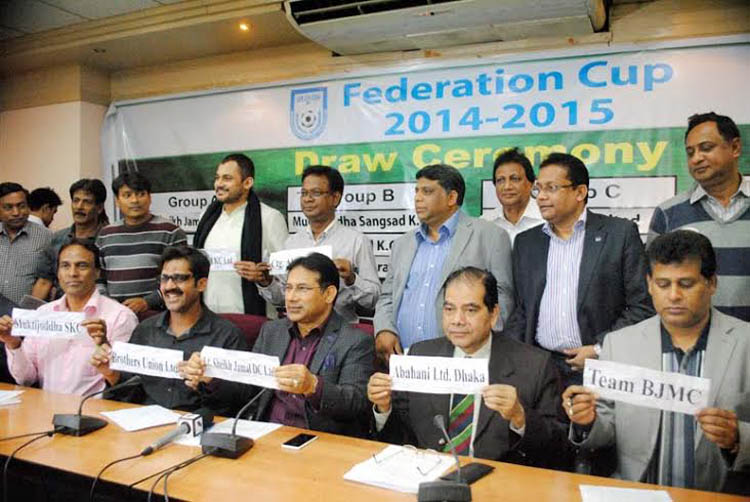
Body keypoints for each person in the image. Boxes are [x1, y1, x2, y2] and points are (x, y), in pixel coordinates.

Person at [563, 230, 750, 494]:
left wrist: (738, 438)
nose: (673, 296)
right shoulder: (619, 344)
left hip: (719, 494)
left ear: (711, 284)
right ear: (649, 284)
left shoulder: (745, 343)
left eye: (686, 284)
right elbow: (605, 426)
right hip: (638, 493)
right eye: (663, 284)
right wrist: (586, 421)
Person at [368, 267, 566, 468]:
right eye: (449, 309)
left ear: (493, 314)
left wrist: (520, 417)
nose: (457, 320)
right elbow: (399, 437)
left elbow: (557, 448)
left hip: (499, 484)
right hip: (427, 477)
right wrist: (383, 408)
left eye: (470, 310)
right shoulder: (421, 354)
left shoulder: (534, 365)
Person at [182, 253, 375, 436]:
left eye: (302, 289)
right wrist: (212, 378)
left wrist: (314, 386)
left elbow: (356, 403)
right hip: (265, 434)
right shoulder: (272, 331)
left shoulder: (354, 340)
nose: (291, 297)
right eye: (288, 288)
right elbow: (249, 391)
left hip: (318, 440)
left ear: (329, 294)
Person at [508, 153, 654, 387]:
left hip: (599, 366)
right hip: (540, 368)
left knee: (597, 425)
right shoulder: (527, 242)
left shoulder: (619, 234)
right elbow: (522, 310)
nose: (541, 197)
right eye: (539, 189)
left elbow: (643, 306)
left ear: (580, 192)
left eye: (552, 188)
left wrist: (600, 348)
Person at [374, 164, 514, 364]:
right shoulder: (402, 244)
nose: (418, 198)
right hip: (404, 359)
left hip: (462, 359)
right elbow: (387, 295)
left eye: (427, 191)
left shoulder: (489, 235)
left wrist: (479, 341)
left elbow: (503, 294)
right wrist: (384, 329)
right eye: (416, 191)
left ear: (452, 198)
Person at [91, 246, 246, 415]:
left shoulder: (227, 335)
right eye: (164, 279)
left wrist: (210, 382)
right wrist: (113, 375)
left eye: (179, 278)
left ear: (201, 284)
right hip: (144, 425)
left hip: (198, 428)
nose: (169, 286)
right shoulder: (145, 330)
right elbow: (131, 394)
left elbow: (241, 400)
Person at [0, 240, 137, 395]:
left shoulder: (120, 317)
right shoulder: (43, 314)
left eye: (82, 265)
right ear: (58, 272)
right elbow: (26, 380)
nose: (72, 273)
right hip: (46, 409)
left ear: (97, 272)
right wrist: (13, 344)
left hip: (94, 413)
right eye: (65, 266)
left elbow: (126, 385)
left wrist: (104, 348)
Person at [649, 112, 749, 322]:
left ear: (735, 147)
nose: (696, 158)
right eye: (690, 152)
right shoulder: (668, 213)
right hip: (692, 344)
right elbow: (653, 286)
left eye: (706, 148)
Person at [257, 165, 380, 322]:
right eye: (304, 193)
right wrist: (266, 282)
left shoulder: (356, 241)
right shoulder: (292, 243)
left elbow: (374, 299)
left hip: (340, 333)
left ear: (335, 198)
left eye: (315, 193)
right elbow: (281, 298)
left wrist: (351, 279)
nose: (307, 199)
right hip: (297, 333)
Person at [193, 153, 287, 316]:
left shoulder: (270, 218)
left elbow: (286, 279)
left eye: (227, 178)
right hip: (209, 321)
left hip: (252, 322)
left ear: (247, 182)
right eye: (217, 178)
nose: (219, 184)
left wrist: (263, 278)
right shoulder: (206, 218)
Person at [96, 172, 187, 314]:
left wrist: (148, 302)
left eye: (140, 194)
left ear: (150, 198)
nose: (134, 200)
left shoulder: (170, 232)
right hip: (114, 316)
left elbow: (181, 277)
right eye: (127, 195)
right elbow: (98, 278)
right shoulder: (105, 235)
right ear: (117, 201)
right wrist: (109, 305)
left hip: (158, 315)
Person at [32, 179, 110, 301]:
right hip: (61, 312)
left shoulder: (109, 238)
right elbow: (44, 281)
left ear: (99, 208)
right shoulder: (57, 239)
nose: (79, 207)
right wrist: (30, 315)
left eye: (87, 202)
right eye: (76, 201)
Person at [0, 182, 53, 304]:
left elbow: (47, 281)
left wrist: (28, 315)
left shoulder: (46, 237)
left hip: (24, 317)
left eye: (21, 206)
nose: (16, 212)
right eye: (8, 207)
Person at [482, 147, 543, 246]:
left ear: (531, 184)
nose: (507, 187)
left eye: (514, 179)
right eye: (501, 180)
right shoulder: (484, 224)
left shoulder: (547, 220)